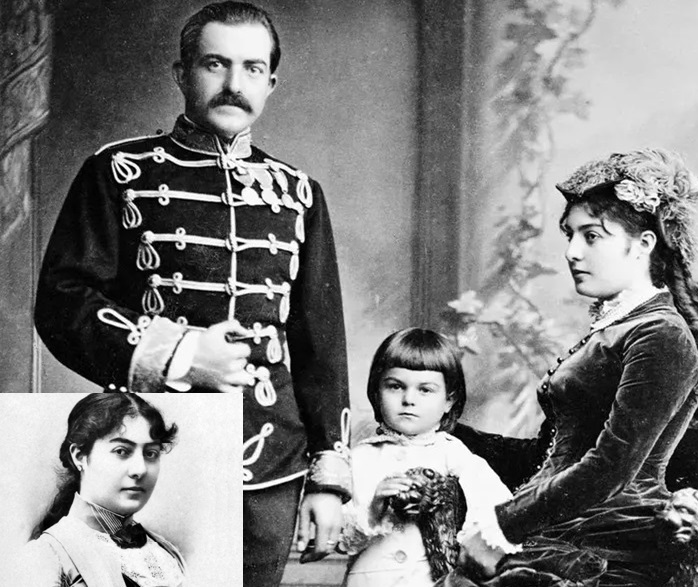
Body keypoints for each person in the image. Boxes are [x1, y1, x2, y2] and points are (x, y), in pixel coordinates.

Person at [33, 2, 351, 585]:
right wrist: (179, 353)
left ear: (271, 83)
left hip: (271, 466)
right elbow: (62, 301)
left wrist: (328, 478)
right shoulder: (118, 171)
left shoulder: (300, 193)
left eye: (252, 68)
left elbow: (321, 346)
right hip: (154, 450)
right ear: (182, 74)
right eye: (214, 64)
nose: (234, 84)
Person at [451, 148, 698, 587]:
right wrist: (452, 434)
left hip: (609, 551)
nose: (571, 252)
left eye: (592, 236)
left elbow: (611, 465)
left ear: (643, 244)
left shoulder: (660, 334)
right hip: (562, 534)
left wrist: (502, 525)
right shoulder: (617, 328)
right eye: (570, 235)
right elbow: (552, 456)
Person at [340, 328, 514, 587]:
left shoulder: (454, 454)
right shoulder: (360, 458)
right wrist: (374, 508)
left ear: (448, 401)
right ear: (376, 393)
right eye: (395, 386)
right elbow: (343, 539)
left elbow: (496, 510)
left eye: (425, 390)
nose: (408, 399)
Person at [18, 393, 185, 586]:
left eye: (150, 453)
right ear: (79, 456)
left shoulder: (167, 553)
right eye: (121, 451)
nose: (140, 469)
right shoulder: (46, 555)